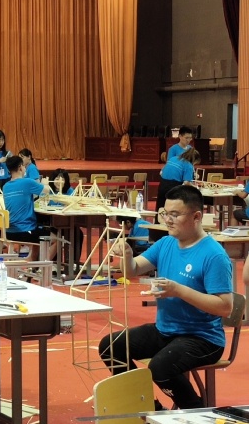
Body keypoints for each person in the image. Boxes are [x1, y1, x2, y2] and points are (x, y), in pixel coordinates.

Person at [98, 185, 233, 410]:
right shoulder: (166, 243)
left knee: (161, 368)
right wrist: (128, 254)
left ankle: (195, 411)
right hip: (166, 331)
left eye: (175, 214)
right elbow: (132, 270)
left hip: (202, 338)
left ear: (197, 216)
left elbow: (225, 307)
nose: (168, 220)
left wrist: (178, 290)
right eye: (165, 213)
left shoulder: (214, 255)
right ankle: (148, 407)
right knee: (111, 347)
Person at [3, 156, 52, 260]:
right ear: (20, 167)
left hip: (9, 232)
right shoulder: (27, 182)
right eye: (24, 166)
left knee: (38, 228)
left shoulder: (6, 186)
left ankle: (33, 263)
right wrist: (45, 183)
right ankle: (44, 265)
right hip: (25, 231)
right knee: (55, 237)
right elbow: (47, 190)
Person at [155, 148, 201, 220]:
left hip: (162, 185)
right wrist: (196, 187)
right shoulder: (188, 165)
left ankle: (157, 223)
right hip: (174, 188)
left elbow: (161, 173)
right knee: (172, 210)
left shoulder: (173, 158)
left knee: (160, 207)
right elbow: (187, 182)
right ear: (194, 160)